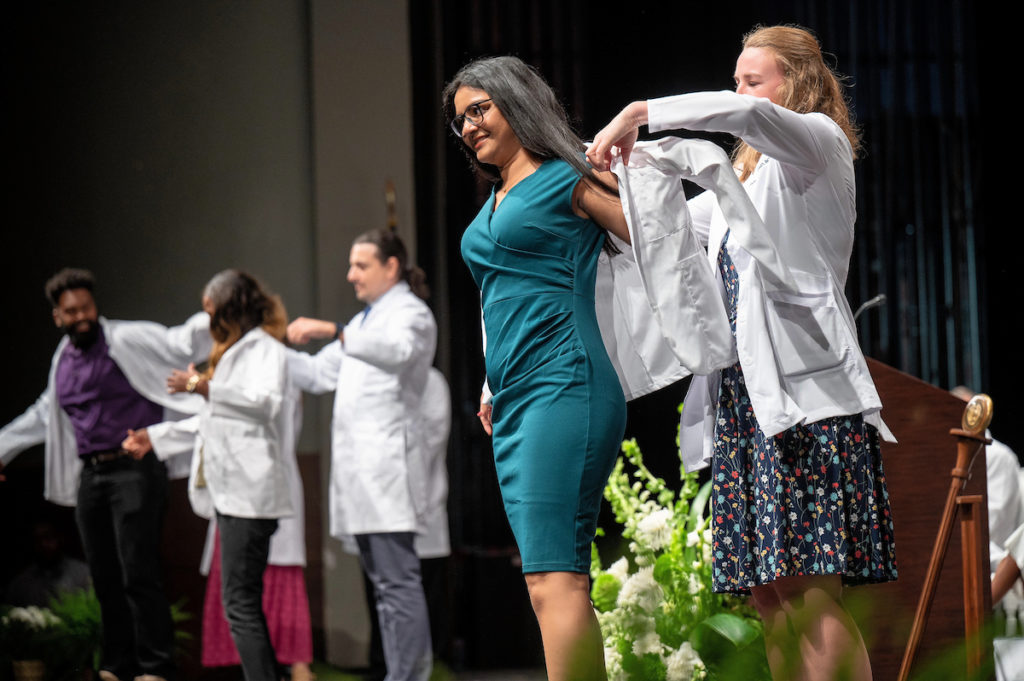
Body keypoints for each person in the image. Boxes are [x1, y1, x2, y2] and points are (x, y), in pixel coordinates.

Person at [588, 25, 899, 681]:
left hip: (809, 406)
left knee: (812, 595)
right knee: (772, 595)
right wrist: (578, 183)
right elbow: (660, 233)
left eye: (751, 79)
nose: (737, 92)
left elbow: (750, 116)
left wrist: (642, 114)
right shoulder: (742, 191)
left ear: (798, 83)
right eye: (734, 79)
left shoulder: (819, 144)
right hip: (749, 408)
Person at [443, 56, 634, 681]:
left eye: (480, 109)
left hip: (566, 382)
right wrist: (490, 380)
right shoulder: (495, 199)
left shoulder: (567, 176)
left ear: (516, 102)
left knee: (556, 580)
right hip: (517, 398)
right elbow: (498, 298)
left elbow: (654, 237)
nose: (469, 126)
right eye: (460, 120)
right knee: (546, 581)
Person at [0, 267, 211, 681]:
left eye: (86, 307)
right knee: (104, 574)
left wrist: (216, 308)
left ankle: (156, 666)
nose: (81, 316)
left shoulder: (126, 339)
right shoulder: (62, 360)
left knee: (138, 568)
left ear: (95, 307)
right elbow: (45, 414)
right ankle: (118, 664)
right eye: (71, 311)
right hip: (92, 476)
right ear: (57, 317)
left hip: (134, 467)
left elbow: (179, 342)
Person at [122, 270, 293, 681]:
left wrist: (202, 385)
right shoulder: (235, 354)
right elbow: (210, 421)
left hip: (250, 497)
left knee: (240, 604)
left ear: (227, 309)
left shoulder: (265, 350)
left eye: (210, 309)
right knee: (242, 602)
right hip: (234, 495)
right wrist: (155, 436)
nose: (207, 318)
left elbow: (266, 404)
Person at [286, 228, 437, 681]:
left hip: (387, 474)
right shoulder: (365, 323)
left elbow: (399, 353)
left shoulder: (411, 314)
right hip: (363, 479)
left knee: (397, 584)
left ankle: (408, 677)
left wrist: (333, 330)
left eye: (361, 265)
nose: (351, 275)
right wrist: (258, 350)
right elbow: (314, 374)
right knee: (383, 590)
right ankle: (400, 674)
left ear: (391, 267)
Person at [196, 383, 314, 681]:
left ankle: (291, 665)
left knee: (252, 586)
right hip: (238, 492)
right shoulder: (228, 376)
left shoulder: (276, 372)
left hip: (261, 487)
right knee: (239, 589)